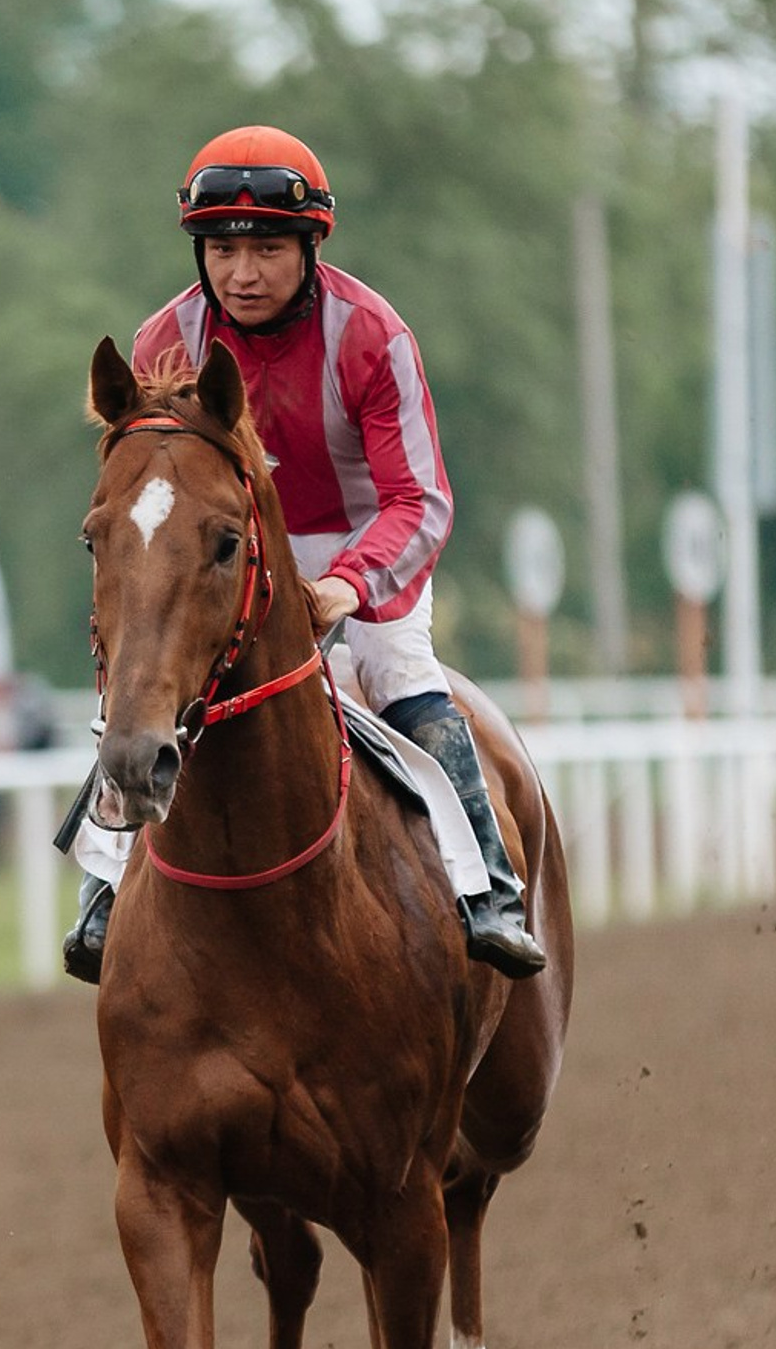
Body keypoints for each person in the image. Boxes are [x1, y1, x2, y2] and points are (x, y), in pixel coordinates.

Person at [65, 124, 546, 984]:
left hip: (356, 545)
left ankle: (488, 889)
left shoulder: (372, 335)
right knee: (143, 674)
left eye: (269, 250)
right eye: (220, 250)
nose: (241, 274)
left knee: (399, 670)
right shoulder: (160, 343)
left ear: (311, 245)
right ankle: (103, 889)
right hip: (222, 545)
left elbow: (421, 499)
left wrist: (346, 586)